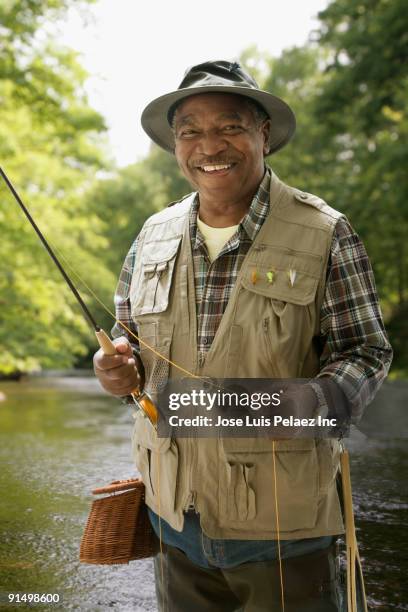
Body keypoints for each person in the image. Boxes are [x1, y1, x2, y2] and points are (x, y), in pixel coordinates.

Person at [93, 61, 392, 611]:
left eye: (229, 126)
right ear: (176, 145)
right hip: (173, 519)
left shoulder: (326, 231)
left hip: (285, 526)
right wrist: (118, 368)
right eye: (191, 131)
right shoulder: (150, 236)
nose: (210, 145)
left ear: (264, 134)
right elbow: (127, 340)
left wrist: (303, 407)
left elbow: (367, 351)